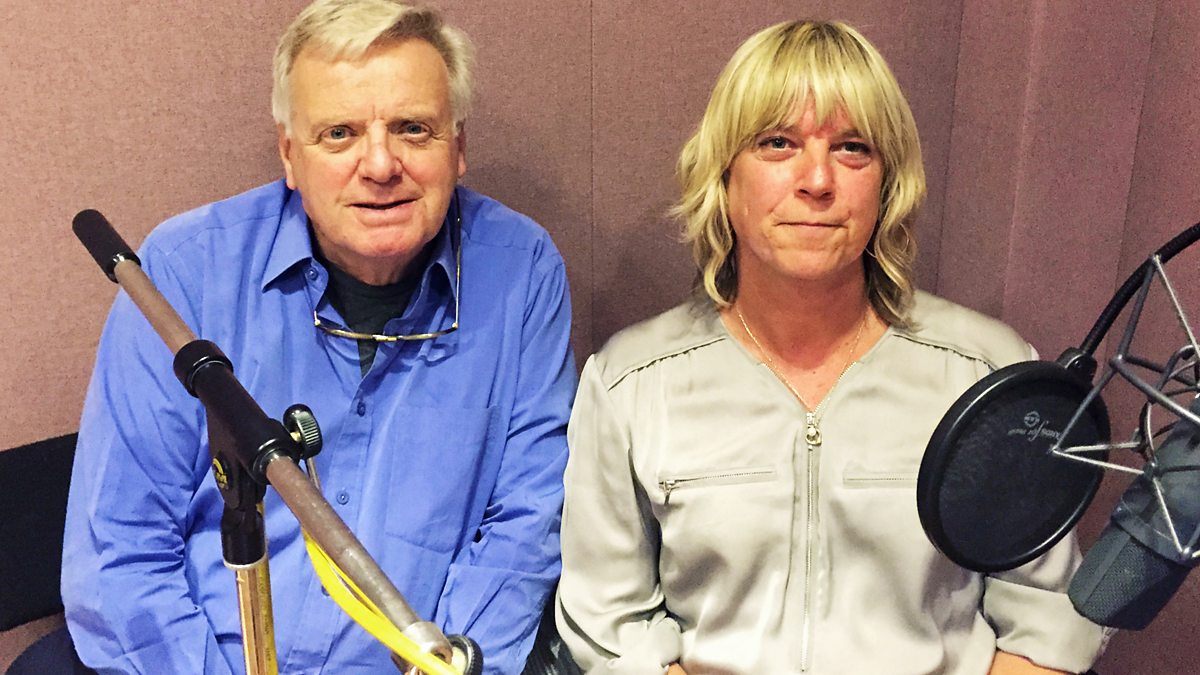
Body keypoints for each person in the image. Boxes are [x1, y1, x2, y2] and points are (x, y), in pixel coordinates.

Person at [555, 20, 1106, 675]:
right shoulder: (630, 383)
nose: (817, 180)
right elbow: (611, 624)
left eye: (851, 148)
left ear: (887, 184)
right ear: (724, 177)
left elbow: (1047, 617)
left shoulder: (987, 374)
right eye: (778, 143)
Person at [61, 1, 576, 673]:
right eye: (339, 133)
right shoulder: (185, 271)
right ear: (289, 154)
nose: (381, 164)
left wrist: (449, 665)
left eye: (413, 128)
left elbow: (522, 528)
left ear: (458, 148)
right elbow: (120, 550)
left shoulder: (522, 271)